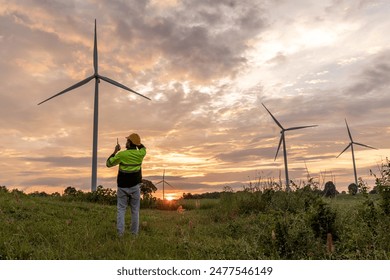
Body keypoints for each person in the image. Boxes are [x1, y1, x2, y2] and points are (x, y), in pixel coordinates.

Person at [106, 133, 146, 236]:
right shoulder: (141, 154)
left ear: (130, 143)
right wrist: (138, 143)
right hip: (135, 187)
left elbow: (108, 163)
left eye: (127, 141)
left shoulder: (121, 154)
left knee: (121, 210)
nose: (126, 143)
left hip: (122, 187)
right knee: (135, 211)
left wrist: (115, 151)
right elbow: (143, 148)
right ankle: (134, 234)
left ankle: (120, 234)